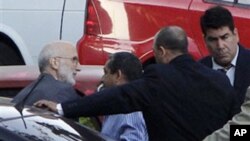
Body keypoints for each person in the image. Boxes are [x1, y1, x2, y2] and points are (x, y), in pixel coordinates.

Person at [34, 26, 239, 141]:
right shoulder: (220, 80)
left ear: (161, 51)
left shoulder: (158, 79)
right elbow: (239, 127)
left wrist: (62, 108)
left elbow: (119, 96)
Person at [199, 5, 250, 105]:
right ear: (205, 40)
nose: (220, 46)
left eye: (225, 37)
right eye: (213, 40)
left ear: (235, 34)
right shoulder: (199, 70)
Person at [12, 40, 82, 105]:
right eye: (74, 60)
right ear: (55, 63)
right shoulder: (64, 91)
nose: (78, 67)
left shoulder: (22, 95)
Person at [100, 52, 148, 141]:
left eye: (106, 72)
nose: (102, 79)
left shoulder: (130, 111)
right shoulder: (120, 105)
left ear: (118, 75)